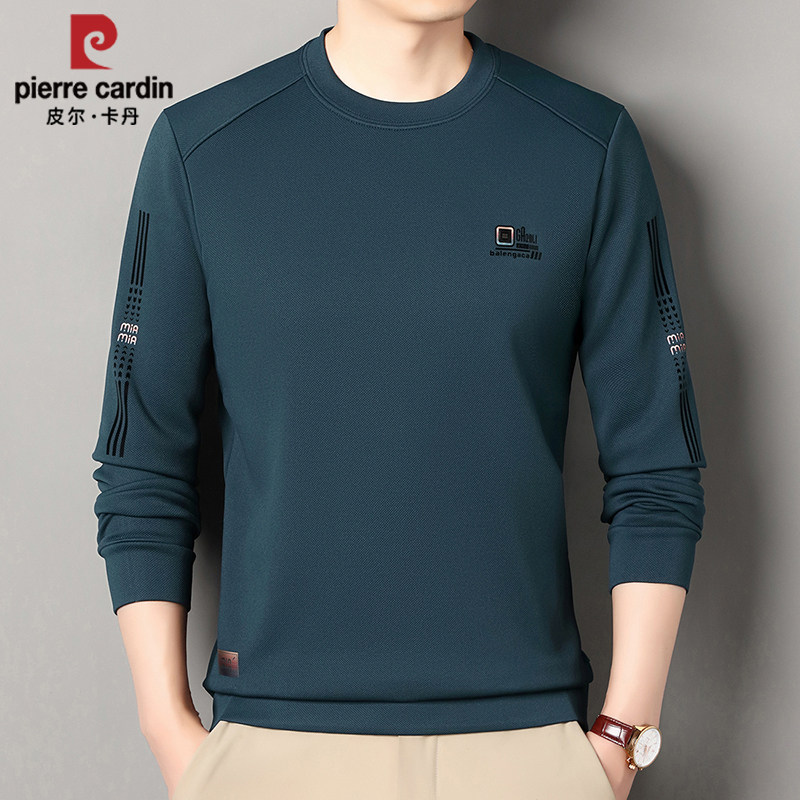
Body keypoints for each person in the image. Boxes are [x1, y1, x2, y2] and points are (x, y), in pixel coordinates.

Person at [90, 2, 708, 799]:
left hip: (525, 750)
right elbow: (141, 463)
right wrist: (168, 729)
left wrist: (622, 738)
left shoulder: (585, 144)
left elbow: (658, 465)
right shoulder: (204, 148)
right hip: (271, 747)